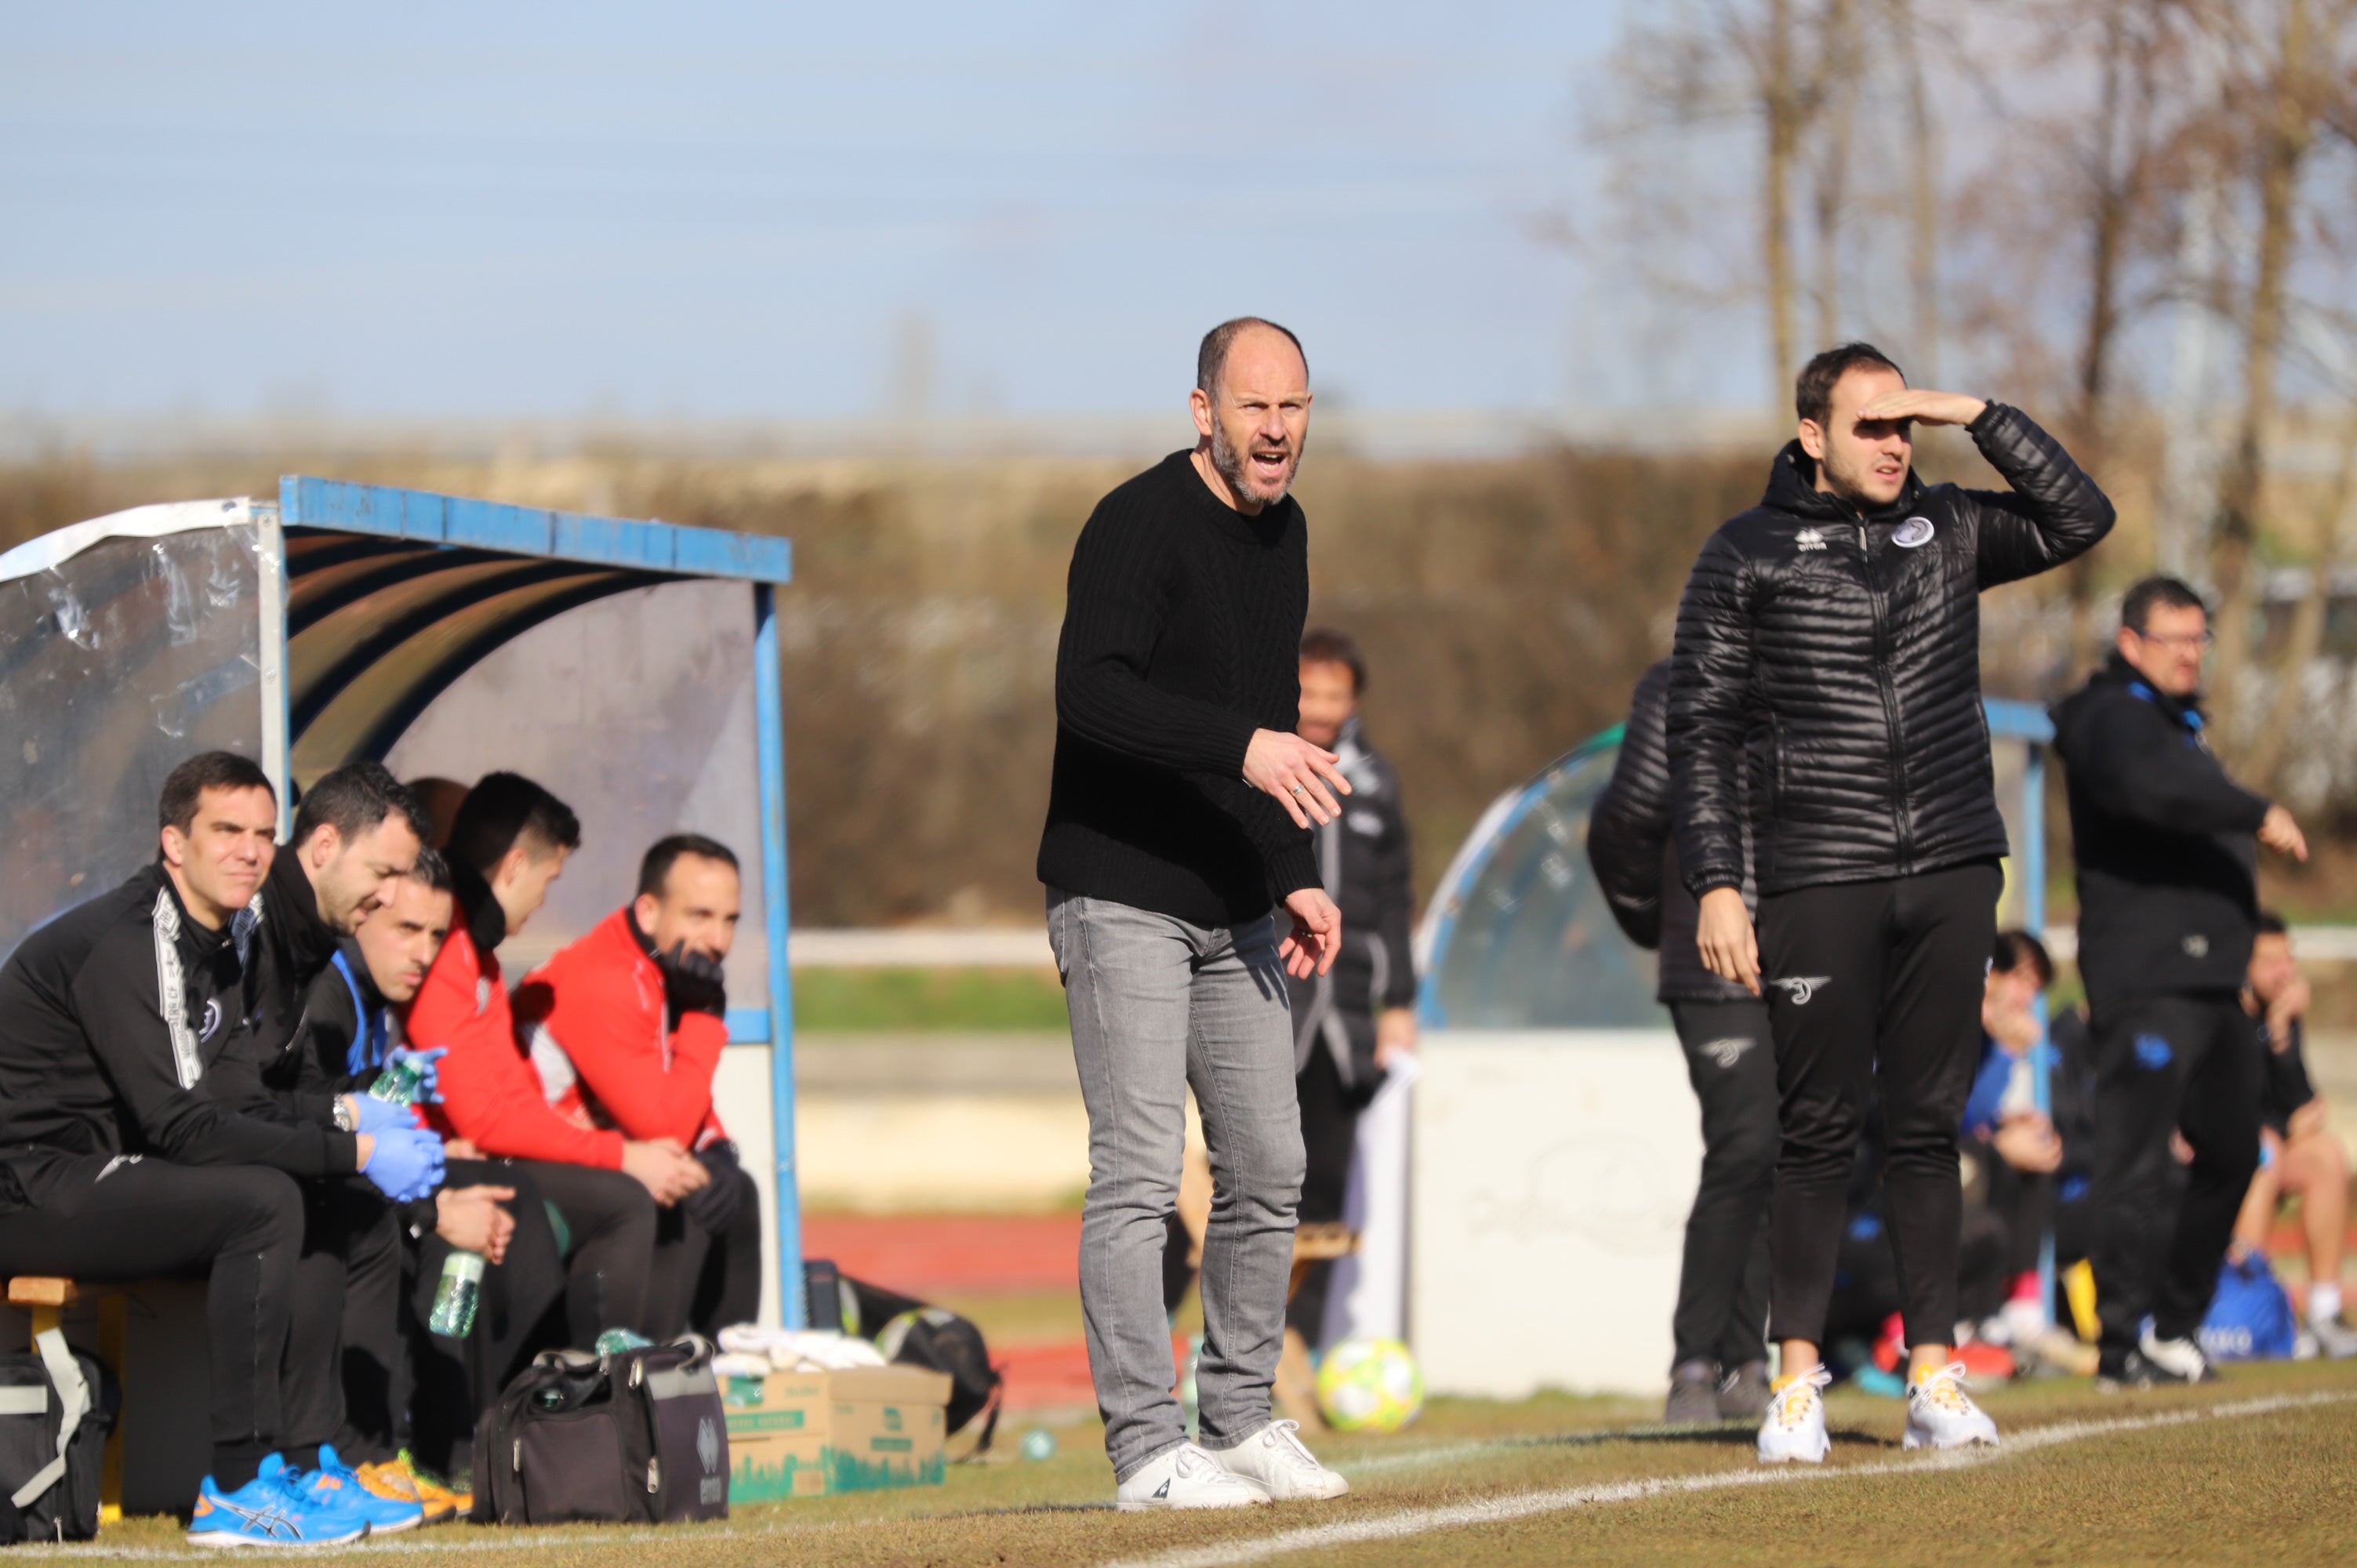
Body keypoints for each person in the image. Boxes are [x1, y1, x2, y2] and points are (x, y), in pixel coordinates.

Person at [1670, 342, 2114, 1461]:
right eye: (1869, 424)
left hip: (1954, 863)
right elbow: (1702, 732)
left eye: (1903, 424)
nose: (1891, 444)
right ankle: (1794, 1384)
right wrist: (1718, 884)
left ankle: (1931, 1375)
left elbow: (2079, 517)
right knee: (1815, 1132)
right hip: (1816, 871)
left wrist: (1978, 412)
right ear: (1810, 435)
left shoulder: (1951, 527)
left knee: (1924, 1128)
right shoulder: (1744, 552)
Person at [1038, 318, 1348, 1510]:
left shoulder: (1289, 533)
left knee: (1269, 1163)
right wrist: (1247, 746)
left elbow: (1257, 721)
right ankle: (1143, 1449)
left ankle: (1238, 1415)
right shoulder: (1137, 522)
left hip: (1232, 898)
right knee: (1137, 1171)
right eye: (1253, 406)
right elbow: (1090, 694)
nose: (1275, 429)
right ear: (1201, 410)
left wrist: (1294, 871)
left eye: (1295, 406)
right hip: (1119, 889)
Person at [0, 751, 445, 1546]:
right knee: (266, 1198)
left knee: (322, 1194)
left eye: (263, 833)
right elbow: (184, 1125)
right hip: (30, 1183)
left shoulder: (225, 939)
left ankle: (304, 1461)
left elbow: (237, 1098)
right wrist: (356, 1143)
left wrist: (345, 1117)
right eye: (227, 830)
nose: (250, 850)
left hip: (103, 1169)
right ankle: (237, 1484)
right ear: (175, 843)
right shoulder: (134, 937)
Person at [2051, 575, 2309, 1387]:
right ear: (2131, 642)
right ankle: (2121, 1341)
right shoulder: (2107, 717)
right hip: (2146, 980)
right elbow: (2150, 789)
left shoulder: (2180, 728)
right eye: (2176, 639)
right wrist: (2251, 808)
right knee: (2139, 1162)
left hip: (2212, 983)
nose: (2192, 654)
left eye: (2201, 639)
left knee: (2237, 1149)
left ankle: (2174, 1323)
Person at [301, 851, 563, 1514]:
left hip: (352, 1183)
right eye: (407, 930)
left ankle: (472, 1436)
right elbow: (321, 1143)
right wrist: (431, 1210)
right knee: (450, 1231)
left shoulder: (374, 997)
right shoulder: (328, 994)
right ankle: (406, 1449)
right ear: (362, 914)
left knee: (503, 1200)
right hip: (307, 1197)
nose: (423, 952)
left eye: (437, 936)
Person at [409, 771, 708, 1345]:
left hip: (474, 1156)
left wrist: (622, 1155)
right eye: (549, 880)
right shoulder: (446, 941)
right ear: (516, 866)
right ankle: (596, 1404)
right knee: (623, 1204)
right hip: (434, 1165)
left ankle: (643, 1390)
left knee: (679, 1195)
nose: (545, 900)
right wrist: (621, 1155)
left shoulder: (481, 955)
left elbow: (511, 1094)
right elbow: (483, 1116)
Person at [1589, 657, 1774, 1424]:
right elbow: (1625, 823)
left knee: (1785, 1150)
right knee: (1746, 1143)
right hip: (1716, 965)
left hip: (1812, 951)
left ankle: (1749, 1360)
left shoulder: (1828, 666)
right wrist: (1668, 920)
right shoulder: (1677, 683)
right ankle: (1694, 1364)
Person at [514, 833, 764, 1338]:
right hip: (522, 1165)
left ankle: (735, 1375)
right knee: (677, 1187)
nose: (717, 940)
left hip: (584, 1157)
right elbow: (664, 1126)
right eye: (699, 916)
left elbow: (676, 1089)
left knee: (732, 1189)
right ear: (649, 912)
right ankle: (641, 1386)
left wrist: (717, 1148)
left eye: (730, 920)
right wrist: (706, 1017)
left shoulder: (660, 967)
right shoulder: (609, 976)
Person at [1280, 630, 1415, 1354]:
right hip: (1272, 1002)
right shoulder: (1260, 764)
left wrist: (1399, 1005)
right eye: (1310, 692)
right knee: (1238, 1177)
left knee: (1326, 1186)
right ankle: (1182, 1346)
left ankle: (1299, 1351)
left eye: (1336, 695)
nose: (1323, 709)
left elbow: (1396, 901)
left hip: (1347, 1020)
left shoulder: (1378, 781)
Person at [2232, 913, 2355, 1359]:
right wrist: (2285, 1128)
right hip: (2223, 1157)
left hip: (2273, 1151)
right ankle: (2250, 1307)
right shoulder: (2222, 1015)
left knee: (2325, 1154)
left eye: (2290, 959)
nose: (2285, 972)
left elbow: (2304, 1105)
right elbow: (2231, 1111)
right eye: (2271, 962)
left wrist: (2282, 1036)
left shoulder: (2279, 1014)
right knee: (2264, 1147)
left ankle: (2324, 1312)